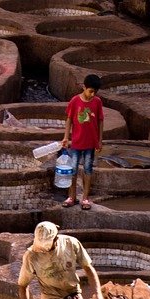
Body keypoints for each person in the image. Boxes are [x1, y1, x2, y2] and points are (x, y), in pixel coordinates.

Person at [60, 73, 104, 210]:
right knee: (72, 170)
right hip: (76, 143)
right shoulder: (74, 101)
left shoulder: (97, 102)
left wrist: (100, 141)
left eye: (94, 92)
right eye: (90, 91)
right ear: (84, 87)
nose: (92, 94)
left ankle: (85, 198)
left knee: (88, 169)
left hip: (90, 143)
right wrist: (66, 137)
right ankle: (71, 197)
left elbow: (100, 121)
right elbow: (69, 120)